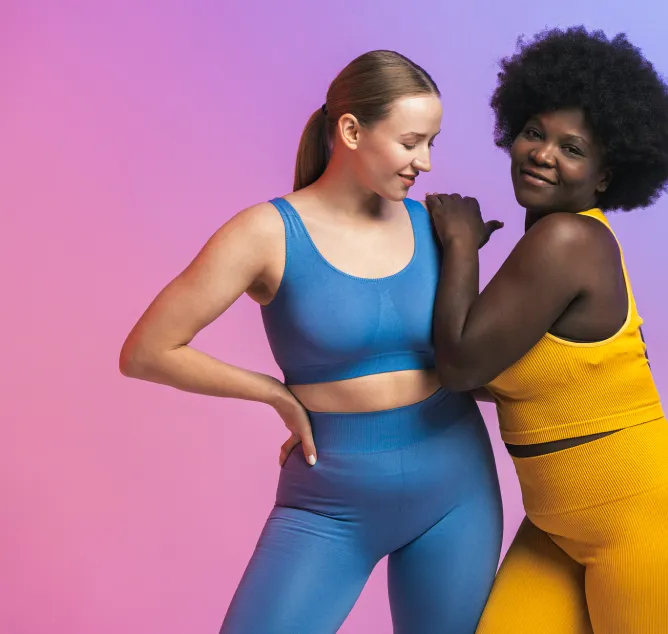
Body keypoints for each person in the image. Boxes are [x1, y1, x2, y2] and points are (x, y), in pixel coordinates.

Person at [119, 50, 503, 634]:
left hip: (457, 487)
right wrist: (274, 393)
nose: (424, 162)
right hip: (330, 501)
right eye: (409, 142)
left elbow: (477, 355)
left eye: (432, 143)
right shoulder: (266, 233)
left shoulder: (435, 227)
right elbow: (147, 351)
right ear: (351, 130)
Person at [425, 27, 668, 633]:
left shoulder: (567, 239)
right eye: (534, 133)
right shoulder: (551, 240)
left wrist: (461, 246)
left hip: (649, 527)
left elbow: (458, 365)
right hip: (557, 526)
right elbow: (492, 375)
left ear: (603, 175)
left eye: (572, 147)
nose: (542, 153)